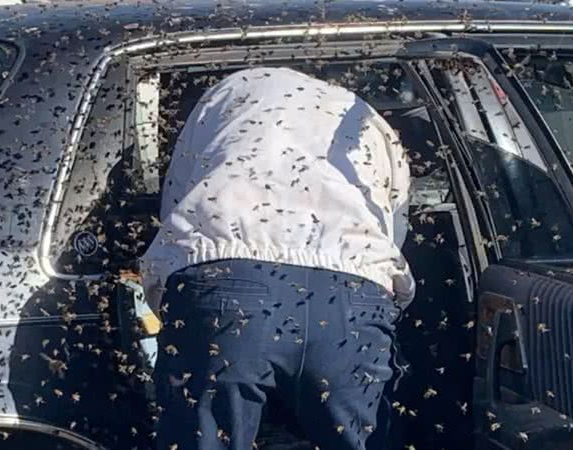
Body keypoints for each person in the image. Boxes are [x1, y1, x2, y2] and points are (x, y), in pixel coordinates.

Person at [139, 66, 415, 450]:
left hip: (227, 285)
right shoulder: (364, 116)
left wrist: (176, 310)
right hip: (352, 295)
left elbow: (180, 208)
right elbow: (393, 218)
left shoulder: (224, 97)